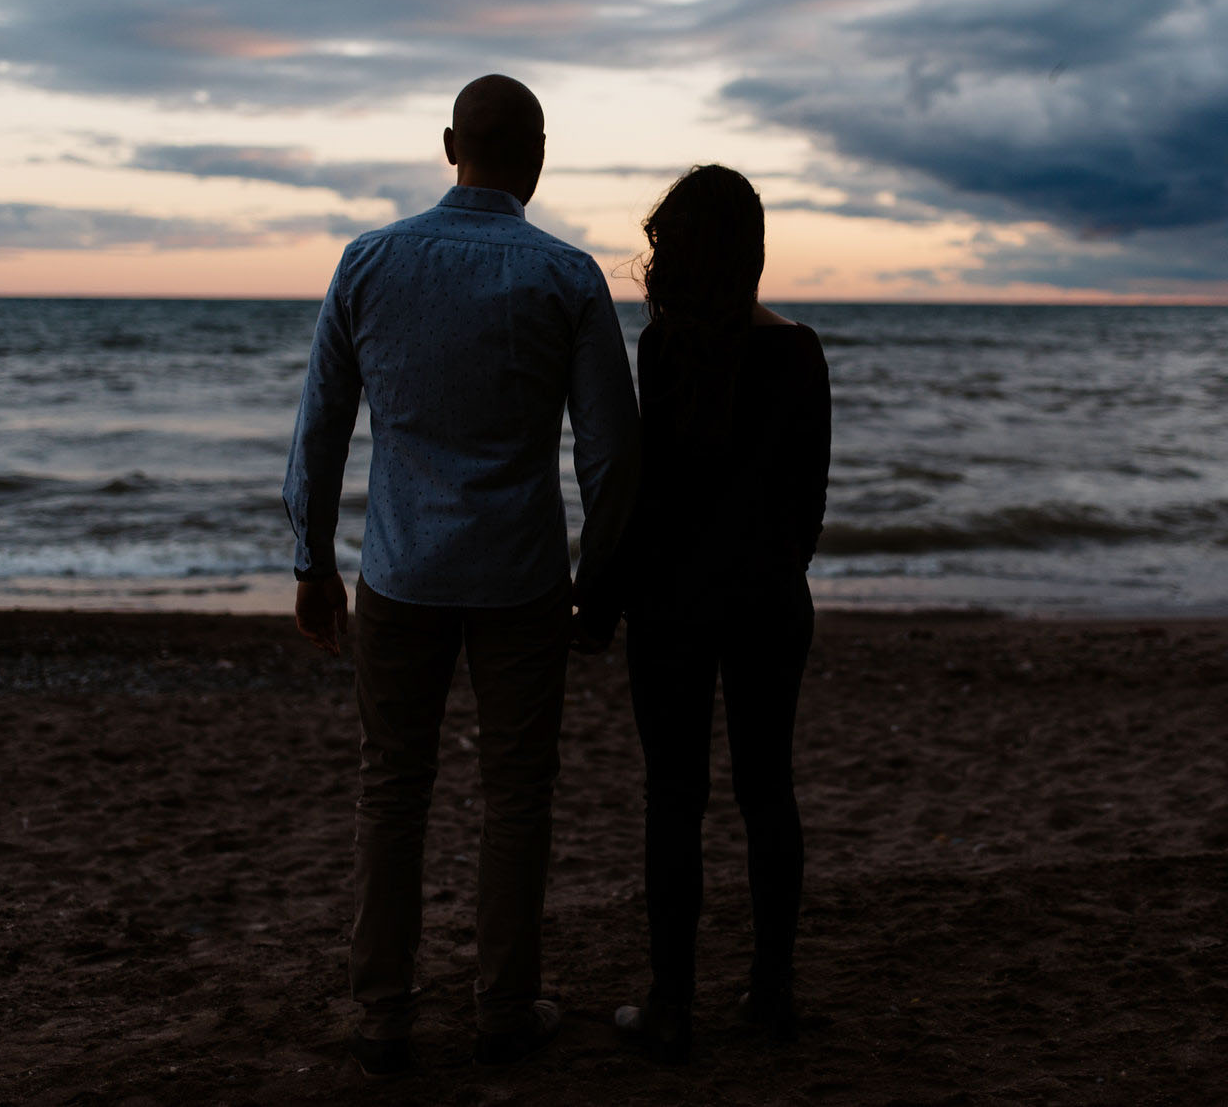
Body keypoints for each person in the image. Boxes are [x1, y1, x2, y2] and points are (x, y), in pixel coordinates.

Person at [283, 74, 640, 1077]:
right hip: (521, 577)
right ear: (535, 157)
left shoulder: (369, 260)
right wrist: (596, 579)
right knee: (516, 791)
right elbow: (611, 454)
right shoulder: (567, 276)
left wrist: (312, 560)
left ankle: (383, 1011)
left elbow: (319, 429)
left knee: (392, 788)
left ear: (450, 145)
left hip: (399, 571)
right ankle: (503, 1004)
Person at [580, 164, 831, 1065]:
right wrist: (769, 573)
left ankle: (671, 1003)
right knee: (770, 791)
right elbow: (808, 508)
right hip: (768, 601)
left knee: (674, 797)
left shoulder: (664, 350)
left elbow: (646, 494)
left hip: (673, 605)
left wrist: (599, 597)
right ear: (756, 254)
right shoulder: (801, 352)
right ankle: (771, 993)